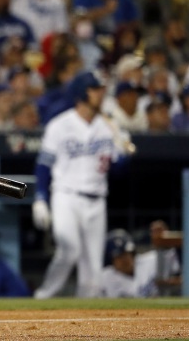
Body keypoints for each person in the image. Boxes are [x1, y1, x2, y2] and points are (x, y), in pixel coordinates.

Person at [32, 71, 132, 298]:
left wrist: (124, 156)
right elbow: (43, 167)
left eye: (100, 89)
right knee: (70, 249)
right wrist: (40, 198)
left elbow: (117, 171)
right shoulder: (59, 125)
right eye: (94, 89)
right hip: (66, 196)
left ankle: (84, 325)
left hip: (97, 200)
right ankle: (45, 295)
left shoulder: (110, 127)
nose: (100, 94)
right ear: (81, 93)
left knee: (93, 276)